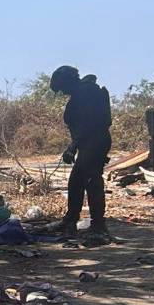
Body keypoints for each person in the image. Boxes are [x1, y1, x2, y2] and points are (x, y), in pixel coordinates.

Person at [49, 65, 112, 240]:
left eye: (62, 88)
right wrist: (75, 145)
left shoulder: (86, 93)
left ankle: (98, 225)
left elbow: (88, 124)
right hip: (91, 141)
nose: (62, 92)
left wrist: (73, 146)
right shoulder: (83, 92)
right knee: (77, 180)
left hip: (94, 141)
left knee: (91, 180)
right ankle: (71, 220)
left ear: (68, 81)